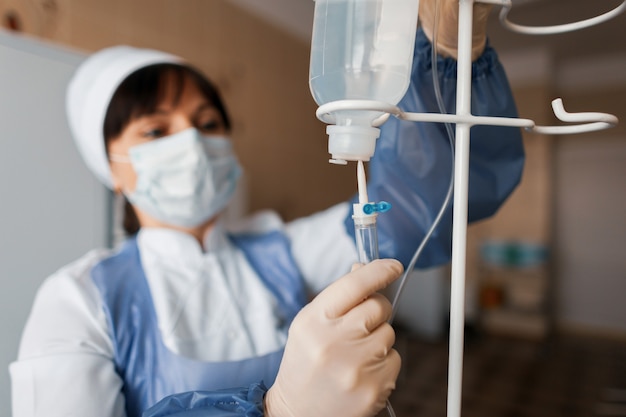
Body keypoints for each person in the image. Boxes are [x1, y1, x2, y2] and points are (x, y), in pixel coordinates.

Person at [10, 1, 524, 416]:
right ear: (111, 166)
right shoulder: (79, 300)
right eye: (155, 130)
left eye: (208, 123)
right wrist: (278, 410)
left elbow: (431, 203)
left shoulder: (280, 251)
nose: (190, 141)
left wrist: (450, 58)